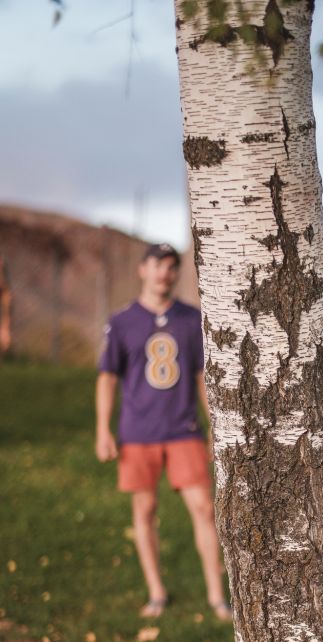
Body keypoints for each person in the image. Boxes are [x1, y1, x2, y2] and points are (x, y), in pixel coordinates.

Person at [95, 243, 232, 621]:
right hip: (137, 433)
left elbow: (203, 378)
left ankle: (217, 596)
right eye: (157, 265)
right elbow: (107, 378)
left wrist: (214, 428)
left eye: (172, 267)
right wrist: (103, 430)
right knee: (145, 509)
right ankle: (156, 592)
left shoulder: (191, 319)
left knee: (204, 509)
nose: (164, 273)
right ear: (143, 269)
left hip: (183, 429)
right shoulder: (122, 321)